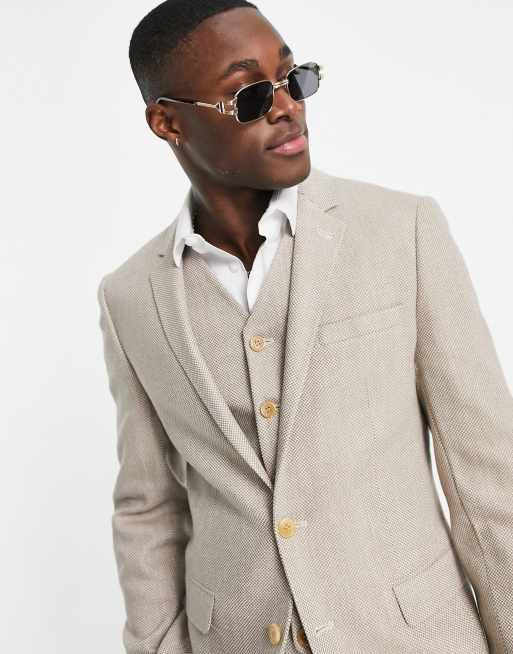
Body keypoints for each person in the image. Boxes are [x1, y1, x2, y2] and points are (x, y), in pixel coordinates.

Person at [97, 1, 513, 653]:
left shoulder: (400, 232)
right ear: (167, 122)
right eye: (250, 96)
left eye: (293, 78)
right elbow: (148, 507)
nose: (287, 106)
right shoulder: (130, 297)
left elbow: (486, 472)